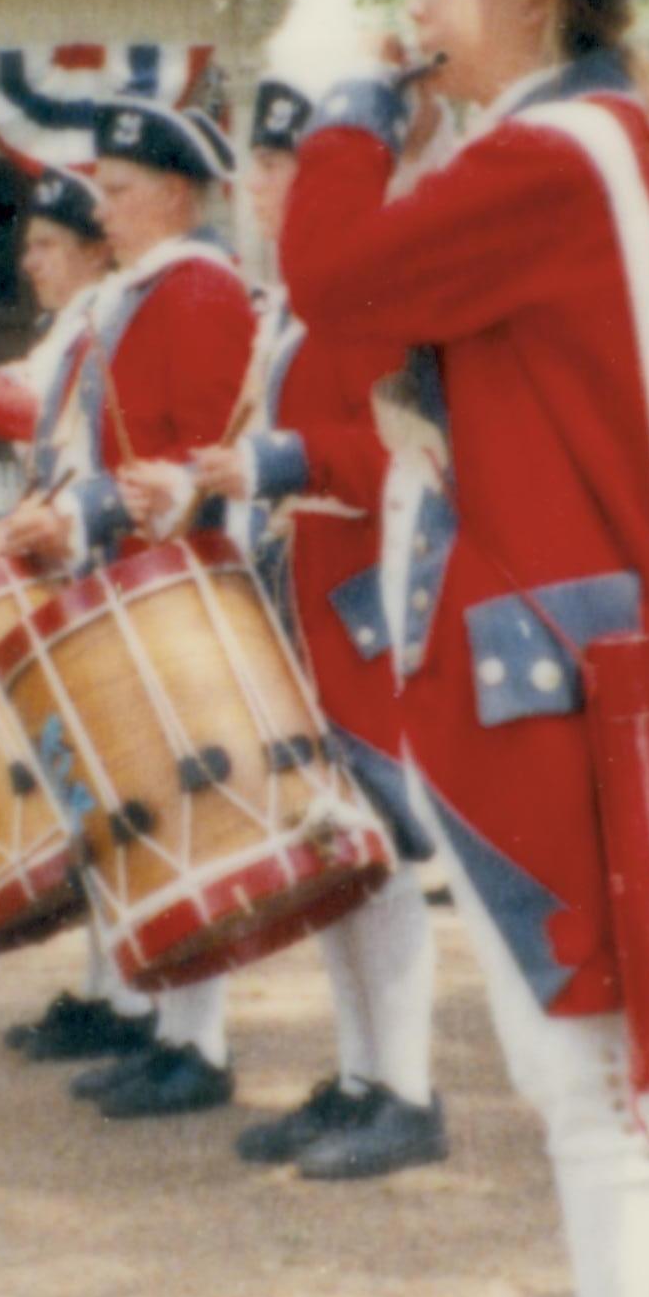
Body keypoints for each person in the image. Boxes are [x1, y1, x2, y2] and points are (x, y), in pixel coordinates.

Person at [281, 0, 649, 1297]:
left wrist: (342, 119)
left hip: (566, 664)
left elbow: (325, 285)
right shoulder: (564, 140)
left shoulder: (558, 154)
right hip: (550, 651)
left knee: (597, 1068)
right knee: (573, 1071)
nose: (415, 8)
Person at [192, 75, 450, 1180]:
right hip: (309, 598)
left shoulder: (371, 297)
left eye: (277, 169)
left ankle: (412, 1091)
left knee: (379, 853)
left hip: (365, 605)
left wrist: (272, 463)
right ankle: (360, 1076)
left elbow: (408, 453)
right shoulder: (297, 314)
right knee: (335, 853)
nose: (255, 187)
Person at [0, 98, 257, 1122]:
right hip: (127, 572)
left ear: (180, 193)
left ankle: (200, 1041)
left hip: (174, 580)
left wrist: (93, 515)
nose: (105, 214)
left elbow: (202, 454)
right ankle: (166, 1024)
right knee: (141, 810)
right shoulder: (146, 293)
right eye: (100, 193)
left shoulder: (196, 289)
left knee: (181, 812)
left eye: (121, 192)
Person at [0, 166, 154, 1068]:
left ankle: (136, 998)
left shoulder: (101, 324)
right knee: (91, 806)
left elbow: (28, 413)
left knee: (117, 804)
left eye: (44, 245)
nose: (27, 261)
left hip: (109, 565)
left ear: (90, 250)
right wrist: (7, 528)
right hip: (69, 557)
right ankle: (110, 989)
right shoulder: (74, 328)